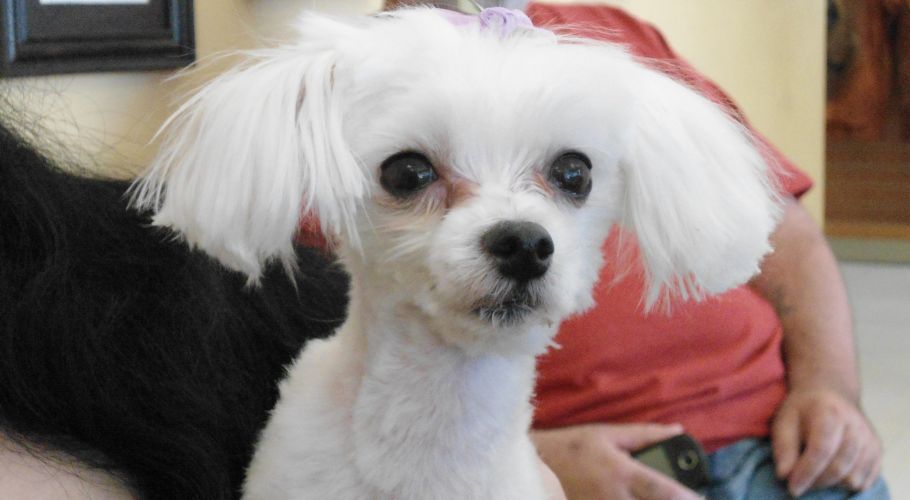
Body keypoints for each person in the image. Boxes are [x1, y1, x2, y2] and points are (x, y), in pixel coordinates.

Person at [379, 2, 887, 499]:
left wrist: (829, 388)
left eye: (571, 176)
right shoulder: (358, 90)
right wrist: (532, 460)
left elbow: (791, 238)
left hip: (786, 447)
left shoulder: (616, 37)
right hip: (572, 476)